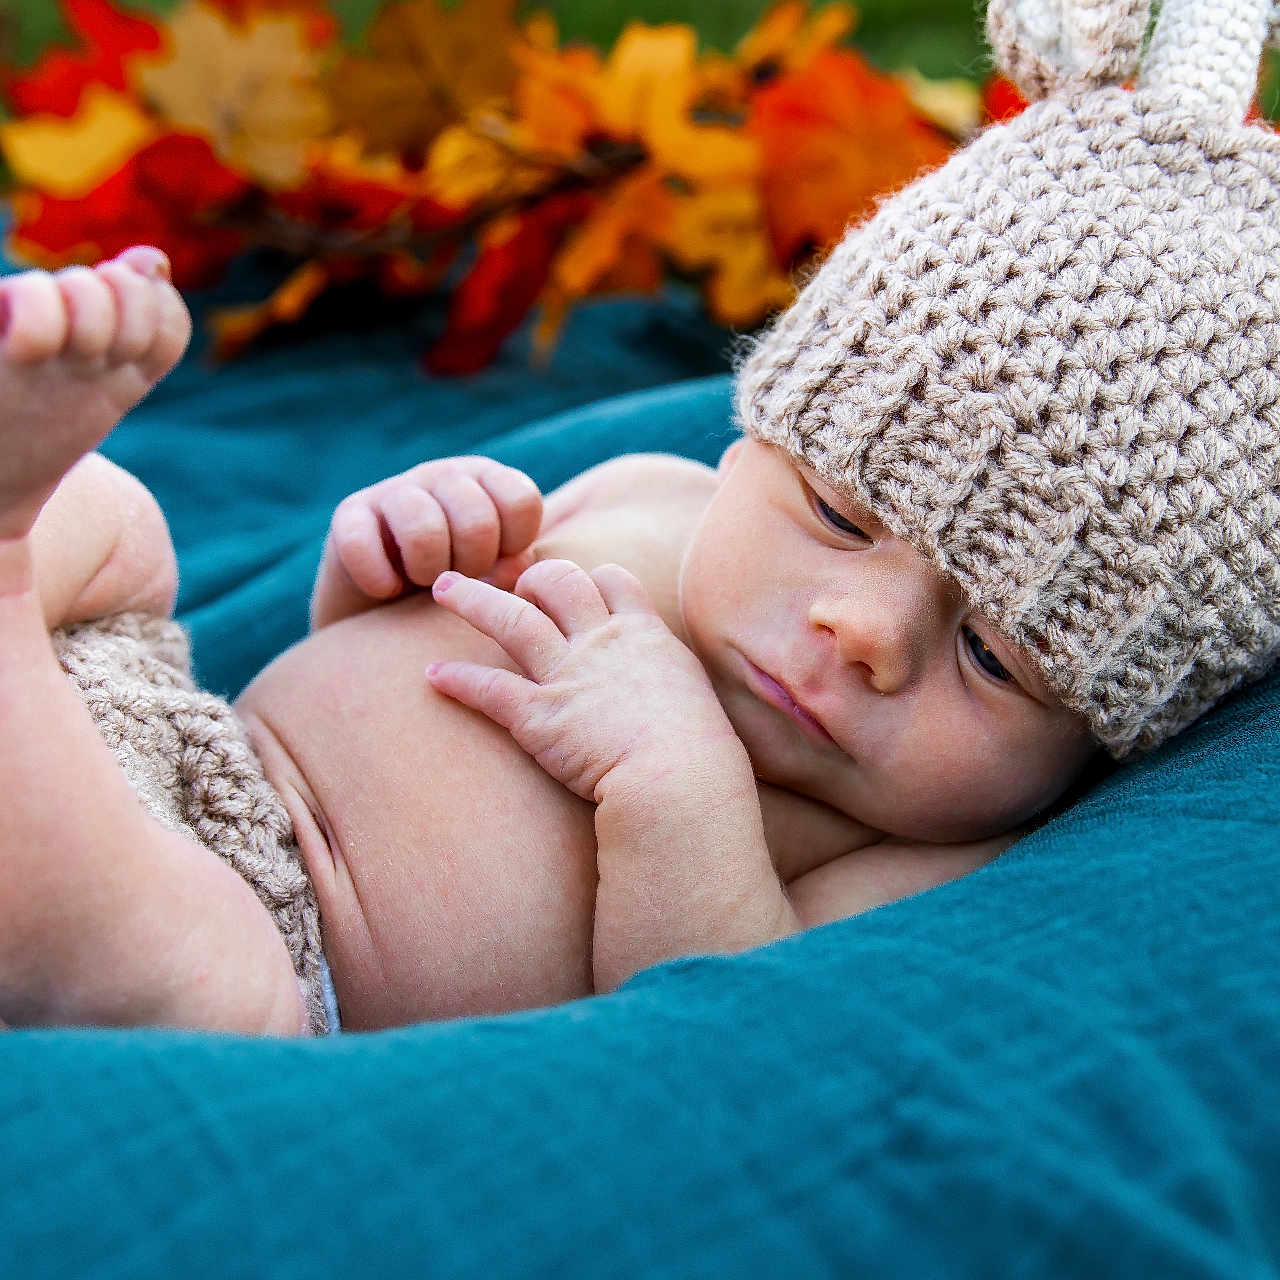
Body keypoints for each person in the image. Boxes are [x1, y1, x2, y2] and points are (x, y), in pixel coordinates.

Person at [3, 0, 1277, 1036]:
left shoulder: (916, 850)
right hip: (161, 735)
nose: (861, 628)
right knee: (115, 524)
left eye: (995, 655)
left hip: (263, 951)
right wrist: (393, 556)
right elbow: (362, 656)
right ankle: (31, 544)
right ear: (756, 435)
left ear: (1103, 736)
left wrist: (675, 788)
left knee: (182, 988)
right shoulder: (654, 501)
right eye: (837, 512)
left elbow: (727, 1033)